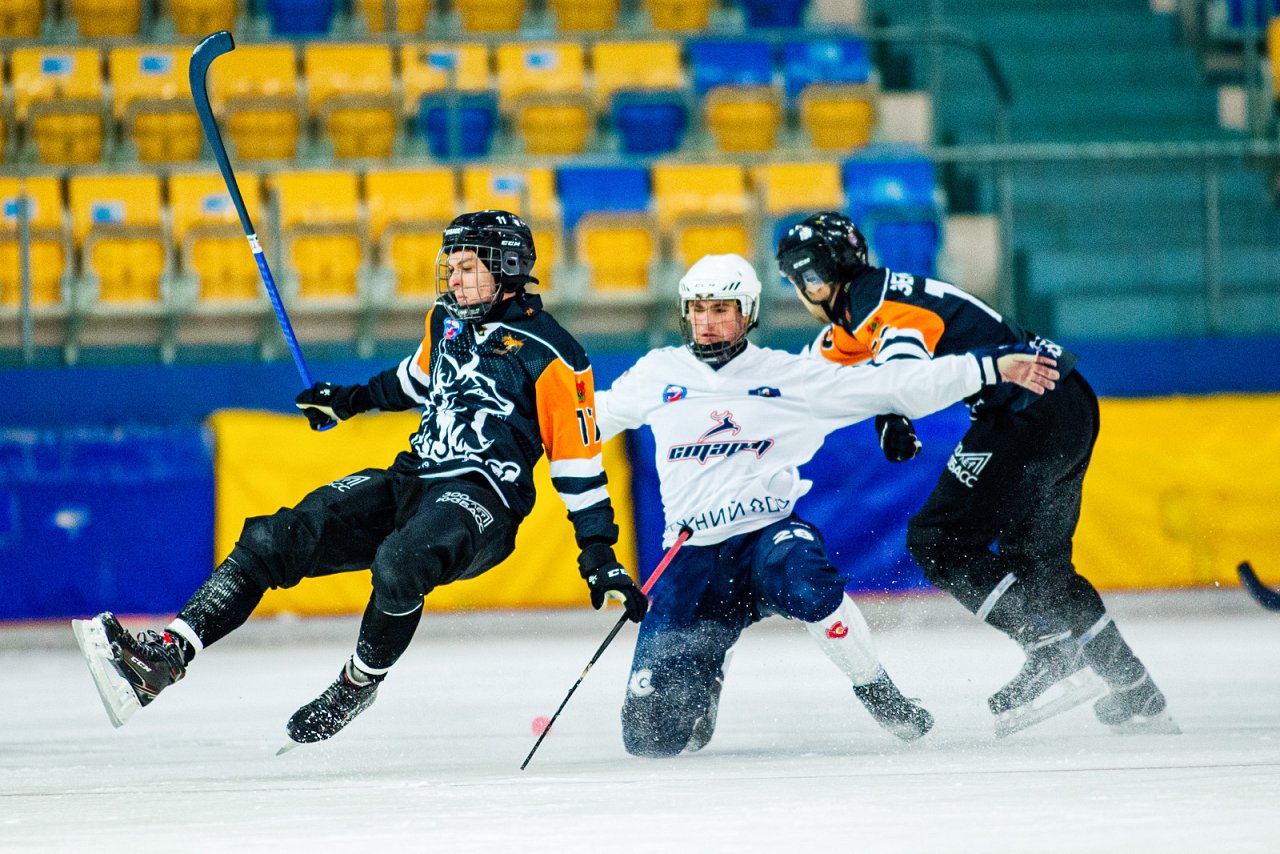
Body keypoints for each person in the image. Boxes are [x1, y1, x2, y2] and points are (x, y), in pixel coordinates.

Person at [73, 210, 646, 748]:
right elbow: (416, 380)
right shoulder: (444, 319)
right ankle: (164, 659)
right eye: (449, 267)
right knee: (274, 538)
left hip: (483, 501)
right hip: (412, 480)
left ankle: (358, 683)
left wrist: (599, 553)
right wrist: (347, 401)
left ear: (508, 270)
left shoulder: (555, 354)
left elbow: (578, 462)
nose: (452, 279)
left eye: (467, 268)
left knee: (400, 563)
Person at [595, 253, 1059, 756]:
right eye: (698, 309)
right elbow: (584, 422)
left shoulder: (791, 376)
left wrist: (987, 366)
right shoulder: (656, 372)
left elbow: (891, 384)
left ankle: (876, 689)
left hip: (764, 542)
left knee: (807, 580)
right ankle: (707, 671)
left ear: (749, 311)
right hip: (690, 558)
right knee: (650, 742)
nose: (707, 323)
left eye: (722, 309)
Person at [775, 211, 1177, 737]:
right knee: (1040, 564)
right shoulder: (866, 307)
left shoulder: (876, 309)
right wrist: (889, 410)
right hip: (1069, 399)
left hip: (1023, 410)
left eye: (794, 280)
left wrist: (893, 409)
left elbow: (905, 376)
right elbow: (815, 378)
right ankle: (1135, 690)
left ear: (813, 277)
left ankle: (1050, 652)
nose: (797, 292)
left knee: (936, 539)